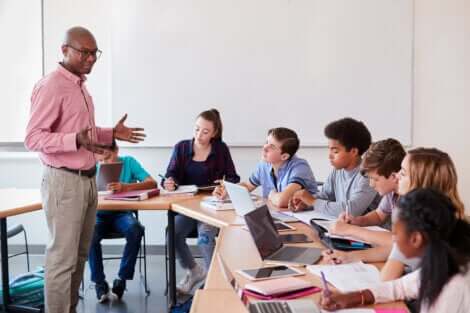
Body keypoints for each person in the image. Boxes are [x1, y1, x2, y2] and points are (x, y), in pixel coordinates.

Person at [24, 26, 145, 313]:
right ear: (64, 50)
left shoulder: (79, 85)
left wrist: (110, 133)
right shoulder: (51, 86)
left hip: (88, 181)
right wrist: (73, 140)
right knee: (61, 260)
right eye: (84, 52)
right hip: (64, 181)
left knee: (79, 257)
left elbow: (83, 133)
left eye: (94, 53)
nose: (91, 59)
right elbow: (33, 138)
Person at [323, 147, 466, 282]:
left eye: (402, 173)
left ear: (421, 183)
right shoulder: (430, 214)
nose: (396, 177)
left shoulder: (428, 223)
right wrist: (349, 257)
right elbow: (396, 251)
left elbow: (388, 275)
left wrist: (350, 234)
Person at [321, 188, 470, 313]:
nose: (393, 239)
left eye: (395, 233)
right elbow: (401, 287)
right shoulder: (441, 262)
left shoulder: (455, 289)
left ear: (415, 239)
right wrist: (350, 298)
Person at [162, 109, 240, 294]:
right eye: (197, 129)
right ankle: (195, 271)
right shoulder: (181, 147)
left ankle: (217, 280)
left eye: (205, 131)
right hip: (188, 205)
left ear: (214, 133)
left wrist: (223, 187)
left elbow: (233, 177)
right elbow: (170, 174)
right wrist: (170, 182)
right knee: (172, 233)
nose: (199, 135)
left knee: (204, 238)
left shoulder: (221, 149)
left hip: (211, 205)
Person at [89, 143, 156, 302]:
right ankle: (99, 282)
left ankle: (122, 278)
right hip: (98, 215)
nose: (105, 162)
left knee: (135, 229)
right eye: (102, 158)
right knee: (89, 234)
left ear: (116, 151)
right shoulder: (92, 165)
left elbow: (152, 183)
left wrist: (126, 187)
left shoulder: (128, 162)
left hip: (122, 213)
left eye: (108, 156)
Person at [289, 117, 379, 217]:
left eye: (335, 151)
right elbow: (326, 196)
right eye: (329, 150)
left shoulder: (368, 175)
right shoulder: (338, 170)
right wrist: (305, 203)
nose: (330, 156)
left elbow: (351, 210)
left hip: (368, 230)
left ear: (354, 151)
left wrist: (313, 202)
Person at [214, 127, 318, 208]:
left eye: (271, 147)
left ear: (284, 156)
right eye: (266, 142)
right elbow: (248, 185)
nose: (265, 147)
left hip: (306, 220)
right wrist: (228, 191)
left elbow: (282, 200)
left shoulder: (300, 167)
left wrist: (272, 195)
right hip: (280, 215)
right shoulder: (265, 164)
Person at [329, 138, 406, 245]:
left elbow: (399, 241)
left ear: (394, 176)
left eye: (375, 179)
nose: (371, 184)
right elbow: (379, 215)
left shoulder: (411, 199)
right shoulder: (391, 192)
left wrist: (350, 230)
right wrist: (357, 221)